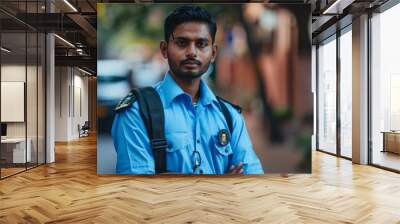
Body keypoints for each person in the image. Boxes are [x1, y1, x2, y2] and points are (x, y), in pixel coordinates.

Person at [111, 5, 264, 174]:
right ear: (164, 49)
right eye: (182, 43)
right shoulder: (137, 112)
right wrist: (222, 187)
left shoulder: (230, 117)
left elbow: (253, 184)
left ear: (213, 53)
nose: (192, 52)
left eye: (201, 44)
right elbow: (139, 192)